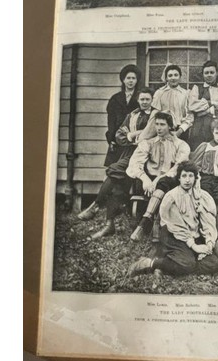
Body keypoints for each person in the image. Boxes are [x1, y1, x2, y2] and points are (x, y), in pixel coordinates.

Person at [77, 89, 158, 238]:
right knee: (117, 186)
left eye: (147, 99)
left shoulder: (156, 116)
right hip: (129, 152)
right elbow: (119, 134)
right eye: (142, 99)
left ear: (152, 100)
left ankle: (96, 205)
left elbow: (153, 134)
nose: (144, 102)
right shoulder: (132, 115)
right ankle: (109, 224)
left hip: (148, 155)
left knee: (114, 170)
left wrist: (134, 134)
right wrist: (131, 135)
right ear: (138, 101)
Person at [127, 161, 218, 277]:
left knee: (214, 264)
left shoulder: (202, 196)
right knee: (188, 264)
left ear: (195, 178)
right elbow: (177, 227)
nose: (187, 180)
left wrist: (208, 244)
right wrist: (195, 247)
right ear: (179, 178)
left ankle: (169, 265)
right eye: (184, 176)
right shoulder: (171, 197)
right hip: (173, 235)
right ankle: (150, 263)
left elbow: (208, 222)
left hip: (193, 235)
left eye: (191, 176)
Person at [127, 111, 191, 241]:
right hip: (149, 180)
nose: (159, 128)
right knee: (138, 182)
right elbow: (134, 163)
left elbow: (177, 167)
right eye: (157, 124)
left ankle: (144, 223)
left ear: (170, 126)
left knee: (165, 182)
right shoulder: (148, 143)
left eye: (162, 124)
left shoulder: (180, 145)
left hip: (167, 180)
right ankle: (150, 223)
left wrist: (157, 180)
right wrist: (145, 179)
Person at [187, 60, 218, 150]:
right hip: (199, 128)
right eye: (206, 73)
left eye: (212, 72)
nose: (209, 75)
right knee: (198, 152)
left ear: (217, 73)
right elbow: (192, 106)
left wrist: (205, 111)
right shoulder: (196, 88)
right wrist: (213, 103)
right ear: (203, 74)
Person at [104, 64, 144, 167]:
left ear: (137, 80)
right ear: (123, 80)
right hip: (118, 138)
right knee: (115, 167)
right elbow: (111, 121)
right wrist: (112, 139)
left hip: (135, 138)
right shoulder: (115, 98)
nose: (131, 81)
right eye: (128, 78)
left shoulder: (141, 98)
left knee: (133, 166)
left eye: (133, 78)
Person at [151, 64, 194, 141]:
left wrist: (179, 131)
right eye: (170, 75)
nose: (173, 78)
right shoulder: (159, 93)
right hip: (162, 131)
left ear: (180, 77)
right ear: (166, 78)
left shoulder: (186, 94)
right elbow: (154, 114)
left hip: (181, 131)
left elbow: (190, 116)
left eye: (176, 75)